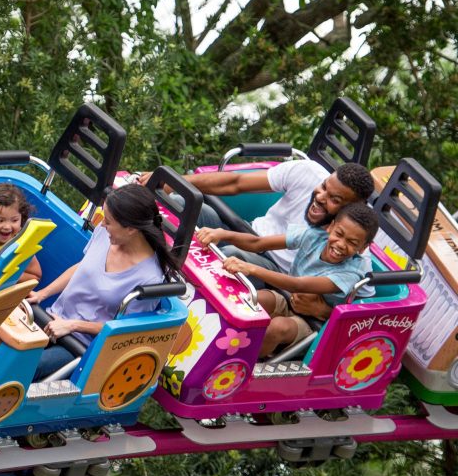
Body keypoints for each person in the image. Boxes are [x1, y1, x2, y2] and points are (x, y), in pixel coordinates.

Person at [26, 184, 177, 380]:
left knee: (28, 367)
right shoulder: (106, 235)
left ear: (131, 228)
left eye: (109, 221)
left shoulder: (150, 279)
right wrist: (42, 294)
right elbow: (82, 267)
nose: (103, 225)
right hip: (52, 319)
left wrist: (73, 325)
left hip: (80, 345)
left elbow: (121, 331)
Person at [197, 202, 379, 357]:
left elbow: (299, 284)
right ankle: (210, 339)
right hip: (288, 299)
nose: (341, 244)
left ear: (363, 248)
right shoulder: (314, 236)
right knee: (252, 299)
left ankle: (240, 363)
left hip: (314, 324)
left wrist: (251, 268)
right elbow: (258, 243)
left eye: (352, 243)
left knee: (278, 327)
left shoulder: (352, 272)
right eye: (339, 234)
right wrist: (224, 234)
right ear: (330, 227)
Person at [140, 161, 374, 276]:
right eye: (323, 187)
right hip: (247, 234)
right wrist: (173, 182)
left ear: (352, 208)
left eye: (334, 199)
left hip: (272, 269)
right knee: (183, 206)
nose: (320, 197)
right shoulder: (307, 172)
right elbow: (236, 183)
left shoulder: (347, 237)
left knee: (230, 258)